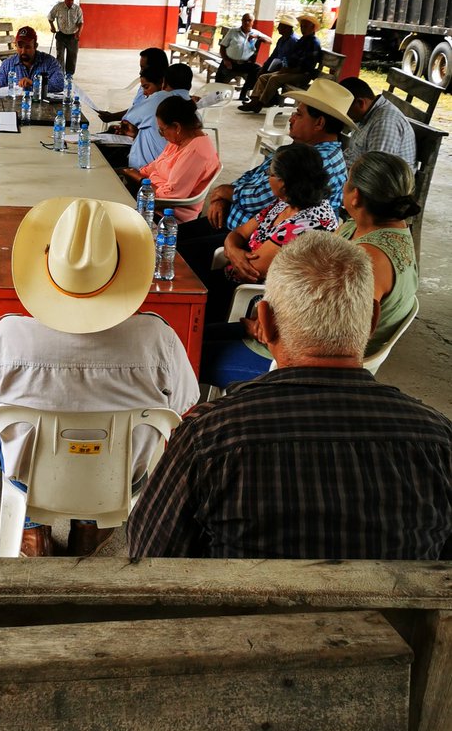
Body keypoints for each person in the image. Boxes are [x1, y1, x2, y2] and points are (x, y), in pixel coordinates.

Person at [127, 232, 452, 560]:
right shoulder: (439, 440)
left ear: (264, 322)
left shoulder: (207, 435)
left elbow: (150, 555)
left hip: (237, 612)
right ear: (371, 320)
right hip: (390, 612)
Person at [0, 196, 199, 556]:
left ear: (47, 266)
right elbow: (181, 407)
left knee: (5, 426)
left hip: (29, 482)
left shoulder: (6, 336)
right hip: (119, 483)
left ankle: (31, 529)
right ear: (121, 271)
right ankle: (91, 526)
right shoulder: (158, 339)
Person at [178, 77, 354, 276]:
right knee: (170, 240)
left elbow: (256, 199)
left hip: (253, 243)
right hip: (236, 226)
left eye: (298, 114)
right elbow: (251, 175)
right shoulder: (300, 149)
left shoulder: (317, 161)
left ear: (319, 123)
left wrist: (227, 193)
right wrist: (221, 196)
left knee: (175, 255)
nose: (291, 118)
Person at [198, 142, 339, 384]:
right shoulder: (284, 203)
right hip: (231, 277)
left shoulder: (308, 223)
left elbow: (252, 269)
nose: (267, 177)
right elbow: (238, 233)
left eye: (270, 174)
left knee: (188, 317)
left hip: (252, 298)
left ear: (284, 182)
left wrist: (236, 251)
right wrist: (233, 249)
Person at [338, 151, 420, 357]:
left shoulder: (367, 259)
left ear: (355, 196)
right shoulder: (388, 226)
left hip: (335, 359)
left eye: (347, 180)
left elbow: (344, 334)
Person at [120, 95, 220, 221]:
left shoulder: (195, 153)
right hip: (150, 194)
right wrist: (135, 173)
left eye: (162, 130)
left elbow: (169, 196)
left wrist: (139, 179)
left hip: (165, 212)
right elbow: (155, 165)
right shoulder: (180, 140)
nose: (162, 135)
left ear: (177, 127)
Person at [120, 61, 194, 171]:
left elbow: (128, 118)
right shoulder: (194, 108)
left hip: (148, 171)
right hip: (178, 167)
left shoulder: (159, 99)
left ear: (163, 83)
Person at [238, 16, 321, 112]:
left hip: (302, 74)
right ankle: (254, 101)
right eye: (302, 26)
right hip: (289, 70)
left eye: (306, 27)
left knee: (274, 78)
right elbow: (281, 57)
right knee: (263, 77)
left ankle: (260, 104)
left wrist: (287, 69)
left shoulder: (311, 42)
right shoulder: (295, 40)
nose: (303, 29)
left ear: (313, 28)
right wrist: (270, 67)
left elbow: (307, 66)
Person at [340, 77, 417, 169]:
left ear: (360, 103)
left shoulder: (384, 123)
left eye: (346, 110)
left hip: (379, 180)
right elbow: (352, 154)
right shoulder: (366, 114)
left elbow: (376, 171)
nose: (345, 114)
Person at [97, 47, 169, 123]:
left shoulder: (163, 97)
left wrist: (113, 117)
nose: (140, 72)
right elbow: (136, 108)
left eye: (143, 68)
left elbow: (140, 112)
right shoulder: (146, 85)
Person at [238, 18, 297, 102]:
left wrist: (279, 70)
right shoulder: (282, 39)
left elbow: (287, 59)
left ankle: (267, 100)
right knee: (258, 71)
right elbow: (273, 55)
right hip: (278, 65)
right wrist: (264, 67)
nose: (278, 28)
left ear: (287, 28)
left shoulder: (293, 41)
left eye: (280, 26)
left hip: (286, 68)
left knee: (267, 76)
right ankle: (256, 98)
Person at [0, 25, 64, 94]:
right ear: (16, 45)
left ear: (35, 46)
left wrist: (34, 83)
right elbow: (1, 84)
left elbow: (60, 85)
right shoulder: (7, 64)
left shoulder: (50, 62)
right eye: (20, 47)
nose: (23, 51)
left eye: (27, 47)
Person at [215, 13, 268, 87]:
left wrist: (258, 37)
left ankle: (245, 92)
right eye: (244, 20)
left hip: (246, 64)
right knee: (218, 82)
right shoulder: (233, 31)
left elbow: (270, 41)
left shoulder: (256, 33)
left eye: (249, 20)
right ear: (242, 21)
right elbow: (223, 46)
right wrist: (225, 60)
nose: (247, 22)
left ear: (253, 22)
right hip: (230, 62)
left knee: (258, 70)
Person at [48, 0, 84, 74]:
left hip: (73, 36)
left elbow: (81, 22)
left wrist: (78, 33)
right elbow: (50, 17)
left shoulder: (77, 9)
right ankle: (60, 74)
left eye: (72, 0)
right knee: (60, 56)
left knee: (72, 56)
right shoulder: (58, 7)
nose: (70, 2)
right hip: (61, 35)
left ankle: (69, 75)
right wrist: (52, 27)